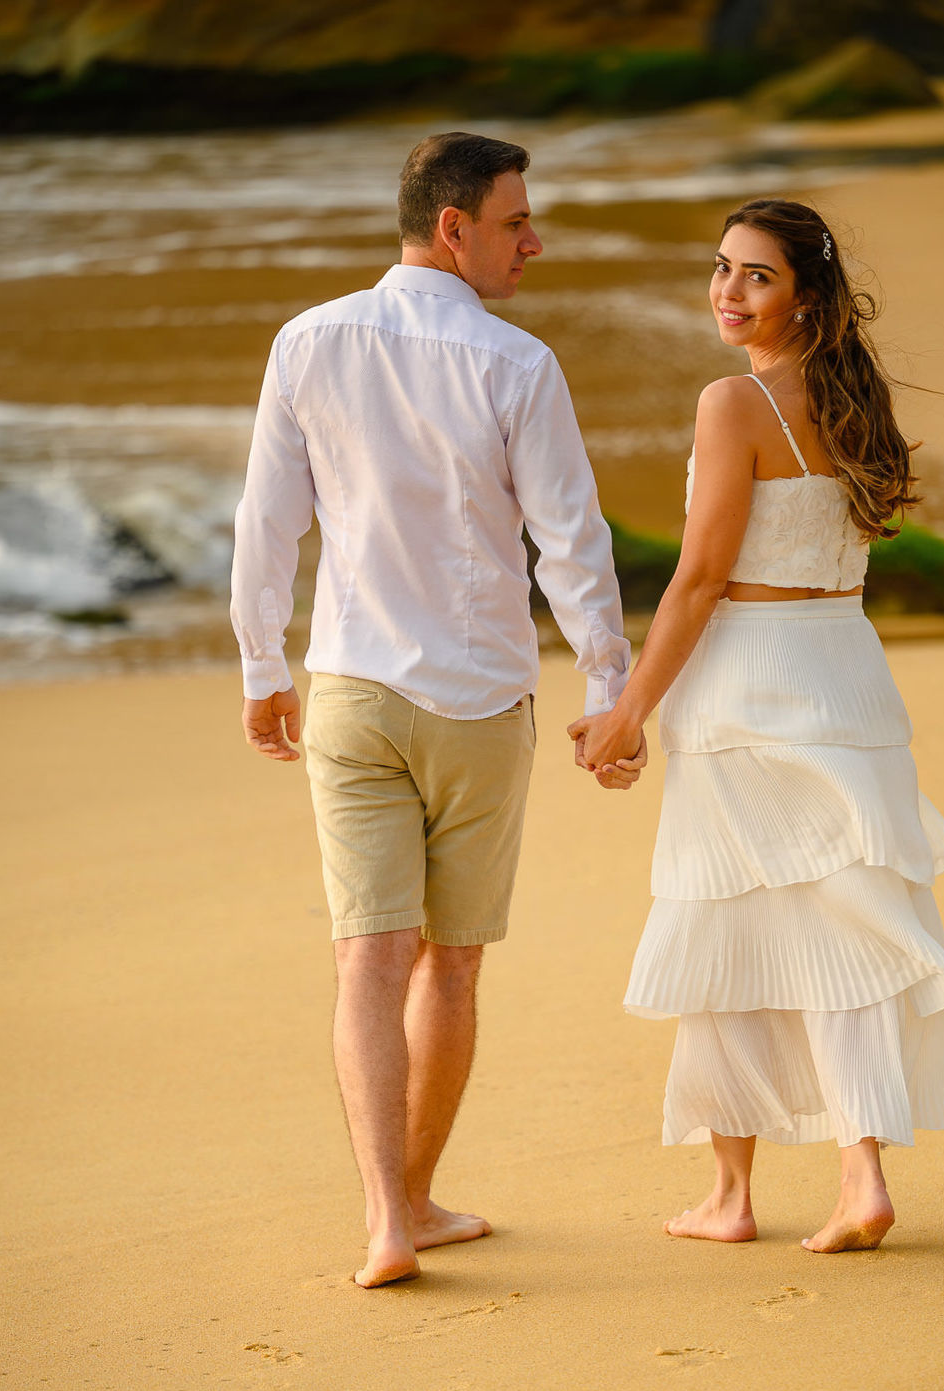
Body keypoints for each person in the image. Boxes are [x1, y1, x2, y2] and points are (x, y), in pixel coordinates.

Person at [230, 132, 642, 1289]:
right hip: (474, 700)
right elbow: (572, 546)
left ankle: (385, 1223)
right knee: (447, 970)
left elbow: (269, 522)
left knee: (367, 957)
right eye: (517, 221)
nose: (534, 239)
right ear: (452, 227)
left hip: (352, 690)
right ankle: (411, 1199)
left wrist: (263, 664)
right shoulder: (518, 366)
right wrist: (608, 690)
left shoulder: (308, 341)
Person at [569, 198, 944, 1252]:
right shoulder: (859, 399)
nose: (727, 291)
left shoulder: (733, 404)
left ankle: (736, 1196)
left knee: (730, 930)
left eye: (755, 275)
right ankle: (849, 1179)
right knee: (840, 927)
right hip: (845, 672)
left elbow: (702, 577)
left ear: (806, 291)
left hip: (749, 686)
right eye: (721, 270)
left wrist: (628, 710)